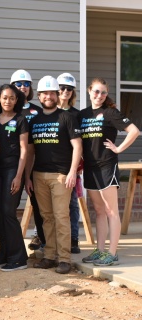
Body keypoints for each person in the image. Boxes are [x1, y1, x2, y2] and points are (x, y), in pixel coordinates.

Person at [79, 78, 139, 266]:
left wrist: (119, 149)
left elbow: (134, 131)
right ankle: (100, 250)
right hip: (89, 167)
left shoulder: (110, 112)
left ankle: (112, 253)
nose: (99, 96)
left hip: (106, 165)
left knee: (112, 211)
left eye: (103, 92)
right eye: (96, 92)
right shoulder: (83, 115)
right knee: (99, 210)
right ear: (89, 91)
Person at [25, 76, 82, 274]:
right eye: (44, 93)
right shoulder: (35, 119)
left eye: (52, 93)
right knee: (46, 217)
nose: (48, 96)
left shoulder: (67, 117)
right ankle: (49, 256)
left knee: (61, 216)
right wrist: (27, 177)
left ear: (57, 95)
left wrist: (73, 172)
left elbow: (77, 146)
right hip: (39, 175)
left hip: (61, 175)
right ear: (39, 96)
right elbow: (30, 152)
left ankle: (64, 259)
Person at [0, 84, 28, 271]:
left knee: (8, 212)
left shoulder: (21, 119)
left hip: (13, 170)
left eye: (12, 98)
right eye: (5, 97)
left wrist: (19, 176)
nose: (8, 101)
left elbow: (24, 150)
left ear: (17, 100)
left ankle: (19, 257)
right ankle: (3, 254)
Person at [10, 69, 45, 251]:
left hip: (34, 163)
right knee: (11, 205)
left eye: (26, 84)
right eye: (18, 84)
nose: (22, 87)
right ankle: (12, 243)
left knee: (38, 204)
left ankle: (41, 237)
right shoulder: (6, 110)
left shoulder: (37, 111)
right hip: (12, 164)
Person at [57, 73, 83, 254]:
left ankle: (74, 239)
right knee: (46, 205)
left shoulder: (77, 115)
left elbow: (82, 143)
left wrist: (77, 168)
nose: (65, 91)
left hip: (71, 167)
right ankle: (42, 237)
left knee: (72, 204)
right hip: (51, 166)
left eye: (69, 89)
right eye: (62, 88)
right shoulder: (49, 112)